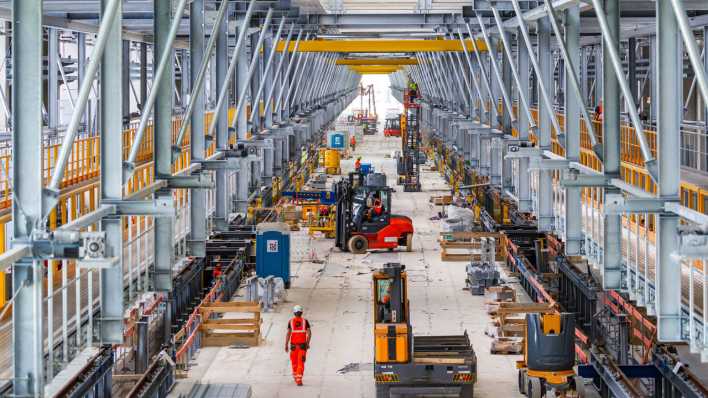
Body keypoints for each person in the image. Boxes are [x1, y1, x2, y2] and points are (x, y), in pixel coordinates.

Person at [285, 305, 311, 386]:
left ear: (294, 313)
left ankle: (296, 377)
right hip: (302, 347)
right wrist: (307, 343)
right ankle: (299, 380)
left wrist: (286, 344)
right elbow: (309, 333)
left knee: (294, 362)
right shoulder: (305, 321)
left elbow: (288, 333)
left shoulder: (290, 322)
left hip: (293, 347)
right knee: (301, 363)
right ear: (301, 312)